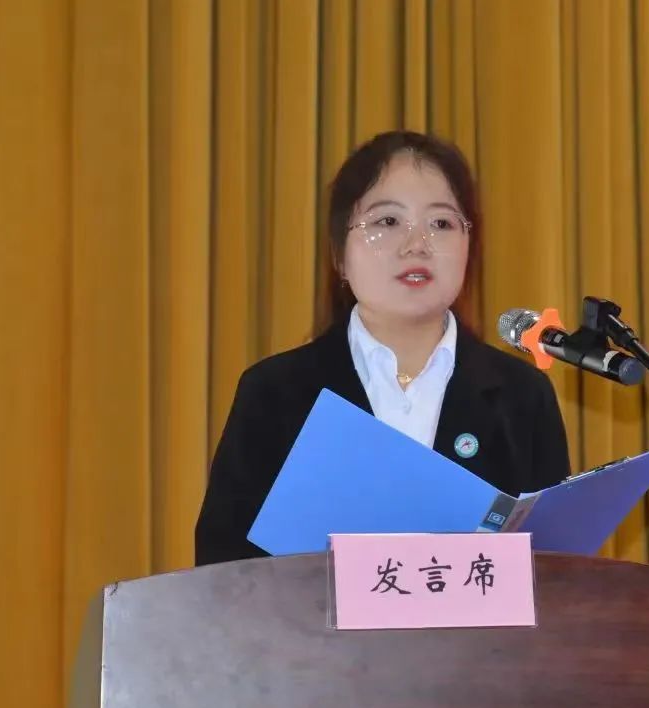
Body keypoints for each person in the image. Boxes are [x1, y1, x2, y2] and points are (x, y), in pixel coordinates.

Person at [194, 130, 571, 566]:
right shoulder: (275, 393)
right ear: (339, 254)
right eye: (387, 222)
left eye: (442, 223)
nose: (416, 244)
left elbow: (559, 571)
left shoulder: (522, 396)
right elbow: (223, 569)